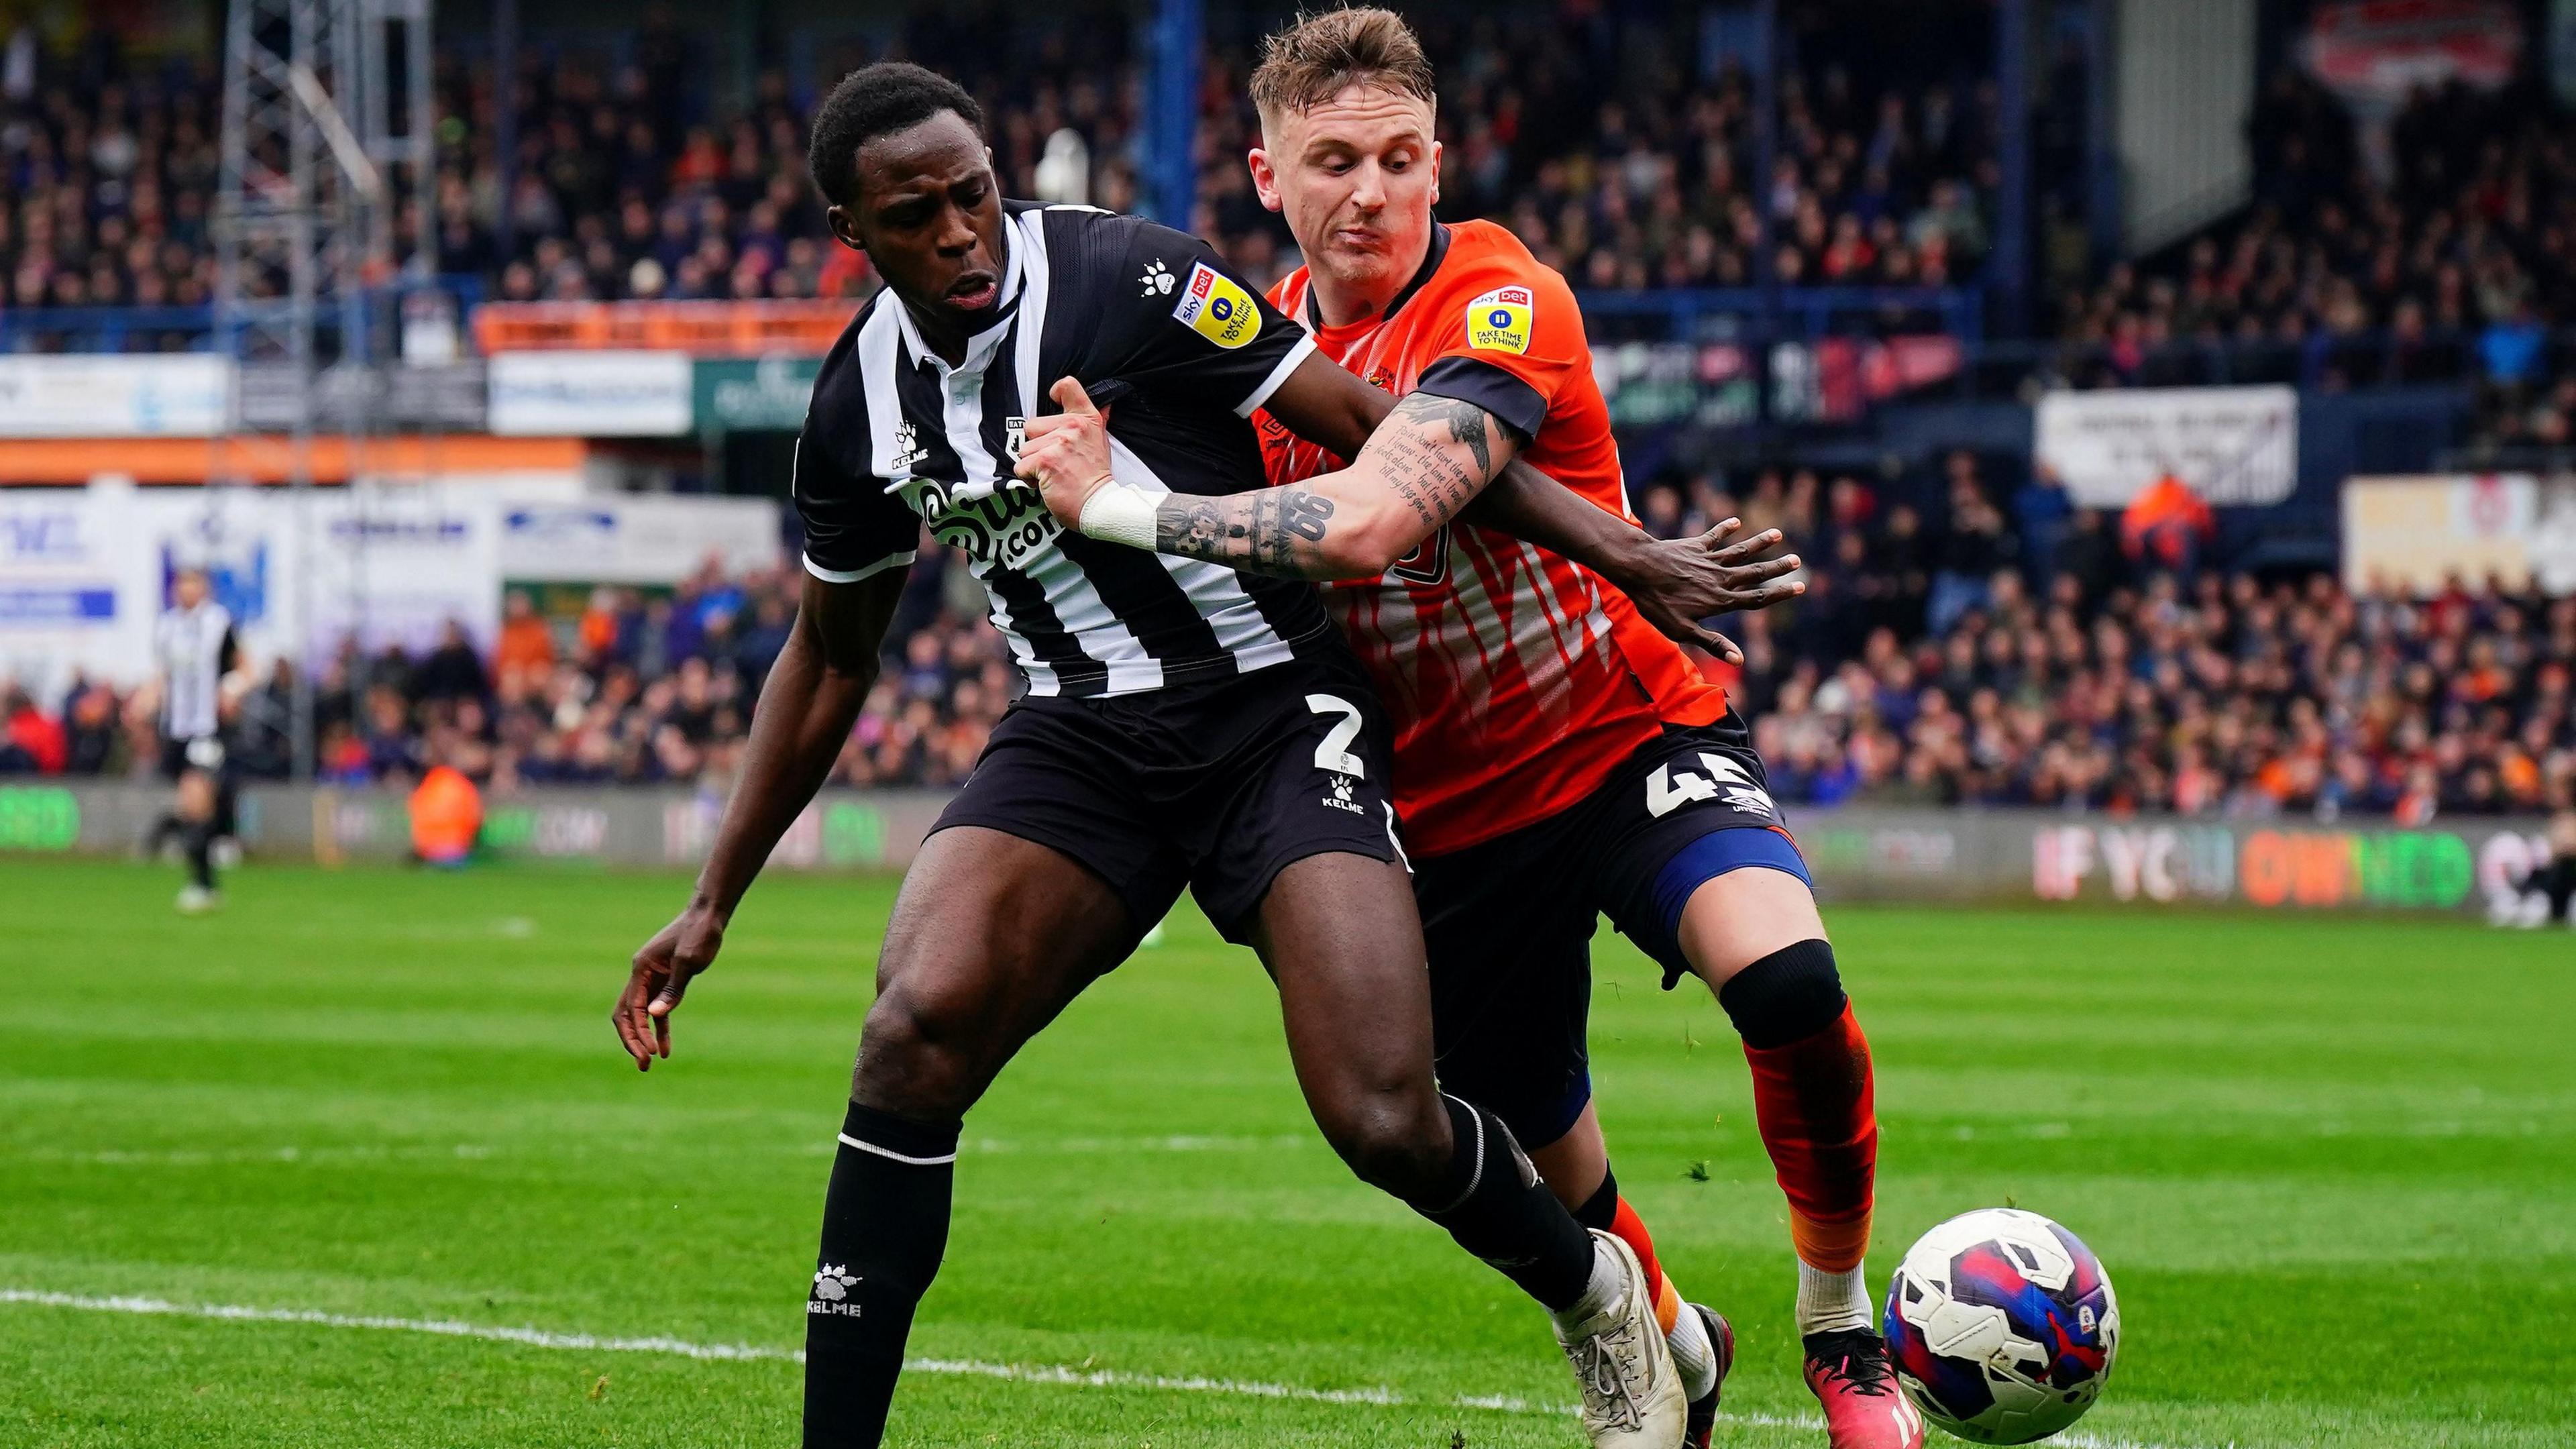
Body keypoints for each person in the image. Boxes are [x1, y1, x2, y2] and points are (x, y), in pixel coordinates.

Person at [611, 62, 1765, 1449]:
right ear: (855, 235)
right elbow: (831, 654)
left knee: (1384, 1112)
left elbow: (1374, 431)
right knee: (912, 1031)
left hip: (1275, 708)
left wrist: (1625, 546)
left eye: (975, 193)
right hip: (1078, 739)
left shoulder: (1128, 278)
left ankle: (1600, 1299)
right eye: (919, 217)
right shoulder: (853, 407)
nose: (964, 233)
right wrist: (713, 897)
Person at [1015, 13, 1913, 1447]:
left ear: (1441, 166)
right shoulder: (1249, 368)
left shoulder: (1501, 297)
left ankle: (1842, 1324)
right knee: (1545, 1151)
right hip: (1445, 821)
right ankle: (1675, 1335)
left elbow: (1369, 525)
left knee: (1789, 980)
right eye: (1333, 163)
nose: (1369, 192)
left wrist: (1120, 499)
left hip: (1620, 729)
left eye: (1397, 158)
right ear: (1268, 178)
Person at [150, 566, 238, 913]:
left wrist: (231, 690)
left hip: (207, 726)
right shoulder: (168, 627)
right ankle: (209, 871)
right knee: (192, 804)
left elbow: (244, 666)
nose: (187, 590)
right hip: (176, 728)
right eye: (182, 584)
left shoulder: (218, 624)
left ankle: (203, 884)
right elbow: (164, 675)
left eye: (194, 583)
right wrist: (146, 699)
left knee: (195, 798)